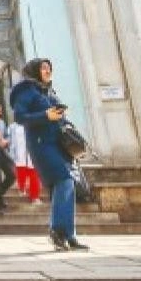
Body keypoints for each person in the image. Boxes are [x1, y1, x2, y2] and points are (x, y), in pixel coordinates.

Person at [11, 58, 87, 251]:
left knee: (65, 186)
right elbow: (20, 117)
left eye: (49, 67)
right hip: (42, 145)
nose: (47, 70)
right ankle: (59, 231)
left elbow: (58, 116)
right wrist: (45, 116)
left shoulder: (49, 90)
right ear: (35, 70)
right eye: (43, 67)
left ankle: (69, 236)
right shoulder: (26, 90)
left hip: (60, 144)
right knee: (65, 180)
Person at [9, 117, 41, 205]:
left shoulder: (35, 124)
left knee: (34, 175)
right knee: (21, 173)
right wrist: (11, 154)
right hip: (19, 154)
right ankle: (22, 188)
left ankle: (34, 197)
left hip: (32, 155)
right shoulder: (13, 127)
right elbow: (10, 140)